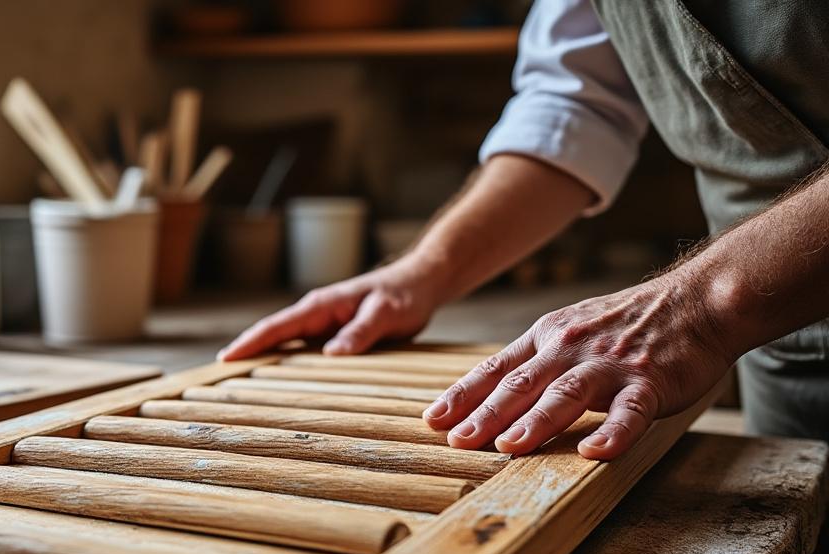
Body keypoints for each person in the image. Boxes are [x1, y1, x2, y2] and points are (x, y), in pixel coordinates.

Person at [220, 0, 829, 458]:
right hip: (779, 346)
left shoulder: (709, 310)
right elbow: (576, 103)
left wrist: (698, 308)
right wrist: (424, 270)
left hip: (742, 307)